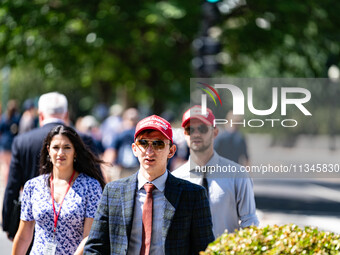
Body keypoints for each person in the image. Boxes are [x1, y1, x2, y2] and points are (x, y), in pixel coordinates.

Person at [84, 115, 214, 254]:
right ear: (134, 149)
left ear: (171, 151)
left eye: (158, 144)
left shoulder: (193, 194)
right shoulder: (113, 191)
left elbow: (204, 249)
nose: (149, 151)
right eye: (143, 143)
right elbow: (95, 247)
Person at [2, 92, 100, 240]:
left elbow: (12, 186)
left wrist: (8, 224)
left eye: (67, 147)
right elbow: (97, 178)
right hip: (75, 230)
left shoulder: (22, 141)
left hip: (32, 227)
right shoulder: (84, 139)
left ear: (40, 115)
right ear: (66, 115)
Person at [12, 125, 105, 254]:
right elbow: (23, 236)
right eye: (56, 147)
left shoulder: (91, 186)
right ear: (48, 150)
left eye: (67, 147)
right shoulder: (33, 186)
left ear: (75, 152)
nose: (60, 153)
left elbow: (89, 237)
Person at [172, 106, 259, 237]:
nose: (196, 134)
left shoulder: (238, 175)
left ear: (215, 132)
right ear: (184, 134)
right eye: (190, 129)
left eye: (202, 128)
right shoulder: (174, 179)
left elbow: (250, 224)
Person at [102, 108, 140, 181]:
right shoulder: (120, 134)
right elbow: (111, 151)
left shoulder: (139, 135)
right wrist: (106, 168)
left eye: (134, 118)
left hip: (136, 168)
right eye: (130, 118)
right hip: (121, 168)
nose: (132, 121)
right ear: (124, 119)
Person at [0, 100, 20, 184]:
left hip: (4, 143)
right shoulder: (17, 118)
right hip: (12, 143)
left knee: (5, 165)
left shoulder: (4, 118)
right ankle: (9, 181)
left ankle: (6, 181)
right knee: (11, 165)